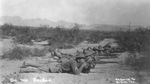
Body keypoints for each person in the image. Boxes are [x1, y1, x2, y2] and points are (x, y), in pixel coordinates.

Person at [19, 52, 91, 75]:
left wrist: (84, 66)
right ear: (79, 59)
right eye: (83, 59)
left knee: (41, 66)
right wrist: (82, 66)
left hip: (55, 66)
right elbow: (77, 73)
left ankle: (27, 63)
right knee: (40, 69)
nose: (83, 60)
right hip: (55, 68)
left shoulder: (74, 62)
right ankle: (23, 70)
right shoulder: (73, 62)